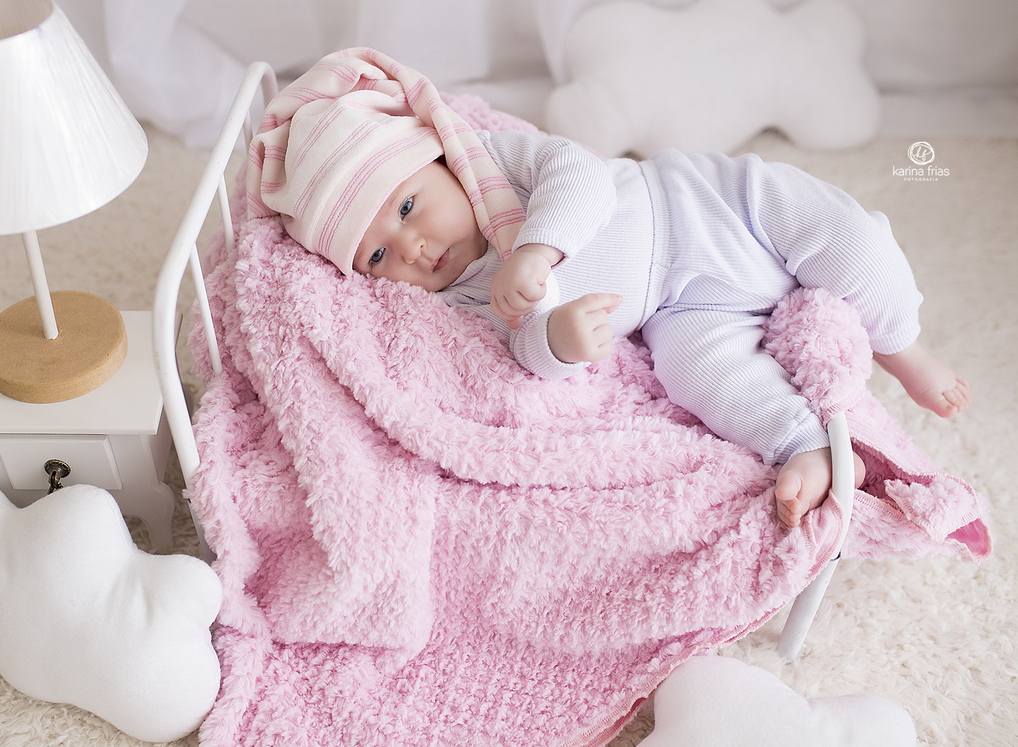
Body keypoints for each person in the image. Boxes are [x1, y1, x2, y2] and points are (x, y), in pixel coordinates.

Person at [248, 48, 969, 528]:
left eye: (408, 207)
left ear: (438, 159)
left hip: (712, 207)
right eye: (377, 254)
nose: (413, 246)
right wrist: (555, 338)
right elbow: (517, 342)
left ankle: (903, 347)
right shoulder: (454, 297)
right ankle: (801, 445)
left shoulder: (494, 161)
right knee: (698, 376)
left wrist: (536, 247)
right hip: (681, 306)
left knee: (847, 242)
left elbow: (583, 175)